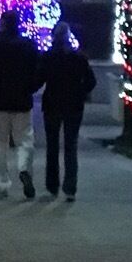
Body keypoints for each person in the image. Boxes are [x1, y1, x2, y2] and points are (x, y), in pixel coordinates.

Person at [0, 12, 44, 198]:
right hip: (22, 99)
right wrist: (31, 88)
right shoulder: (28, 46)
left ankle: (3, 182)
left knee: (0, 143)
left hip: (0, 100)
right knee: (25, 139)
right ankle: (24, 168)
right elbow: (39, 71)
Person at [39, 22, 95, 202]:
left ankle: (52, 185)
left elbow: (39, 79)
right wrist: (81, 92)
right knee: (71, 146)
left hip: (52, 104)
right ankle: (70, 187)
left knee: (52, 146)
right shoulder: (79, 58)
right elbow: (91, 81)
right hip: (73, 106)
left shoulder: (48, 57)